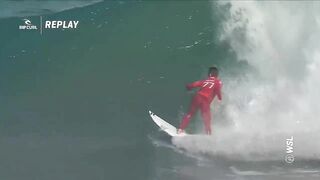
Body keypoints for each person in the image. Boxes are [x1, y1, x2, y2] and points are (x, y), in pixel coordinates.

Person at [178, 66, 222, 135]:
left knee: (190, 114)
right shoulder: (218, 82)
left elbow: (192, 85)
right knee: (207, 119)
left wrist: (188, 87)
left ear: (210, 74)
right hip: (205, 101)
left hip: (197, 97)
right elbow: (218, 92)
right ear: (217, 75)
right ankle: (208, 135)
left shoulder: (204, 81)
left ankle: (180, 129)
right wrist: (220, 98)